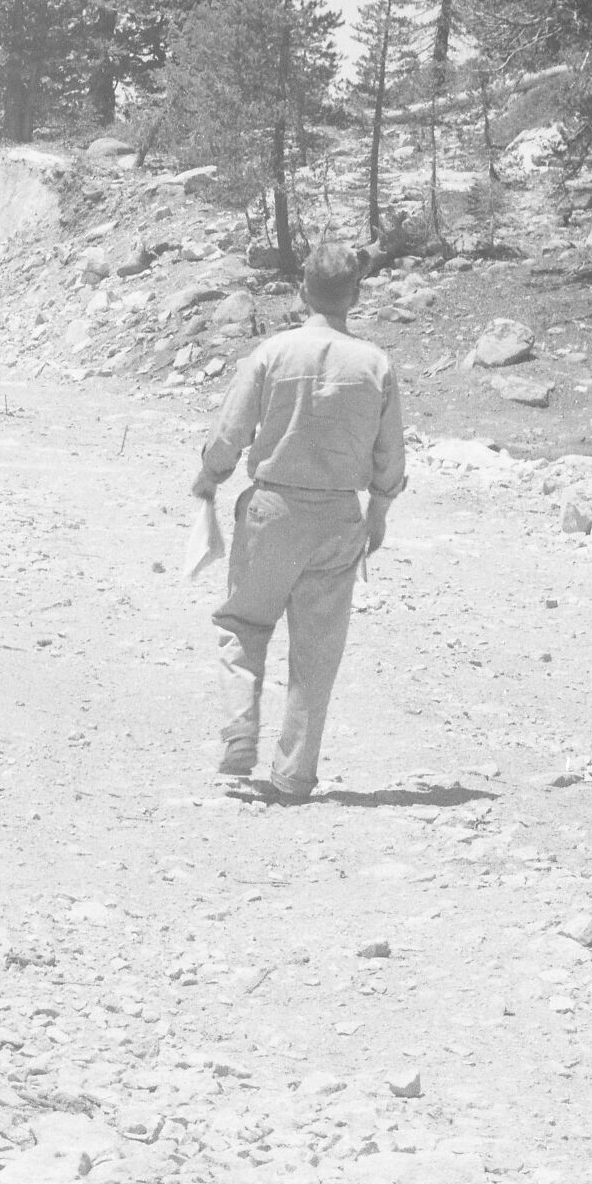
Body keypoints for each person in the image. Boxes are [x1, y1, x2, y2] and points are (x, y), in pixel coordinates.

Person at [187, 243, 406, 805]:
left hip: (272, 510)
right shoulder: (376, 365)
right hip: (339, 517)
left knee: (243, 625)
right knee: (317, 652)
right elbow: (390, 456)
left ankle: (240, 737)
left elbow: (231, 431)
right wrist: (377, 514)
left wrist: (210, 476)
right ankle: (294, 773)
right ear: (354, 295)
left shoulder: (272, 352)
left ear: (303, 290)